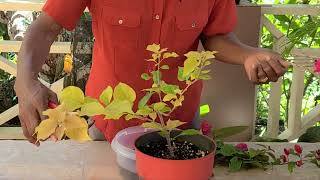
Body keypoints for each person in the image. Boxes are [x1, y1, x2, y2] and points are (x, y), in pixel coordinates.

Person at [14, 0, 289, 145]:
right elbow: (46, 27)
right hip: (109, 122)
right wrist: (24, 82)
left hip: (179, 123)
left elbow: (216, 36)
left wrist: (248, 55)